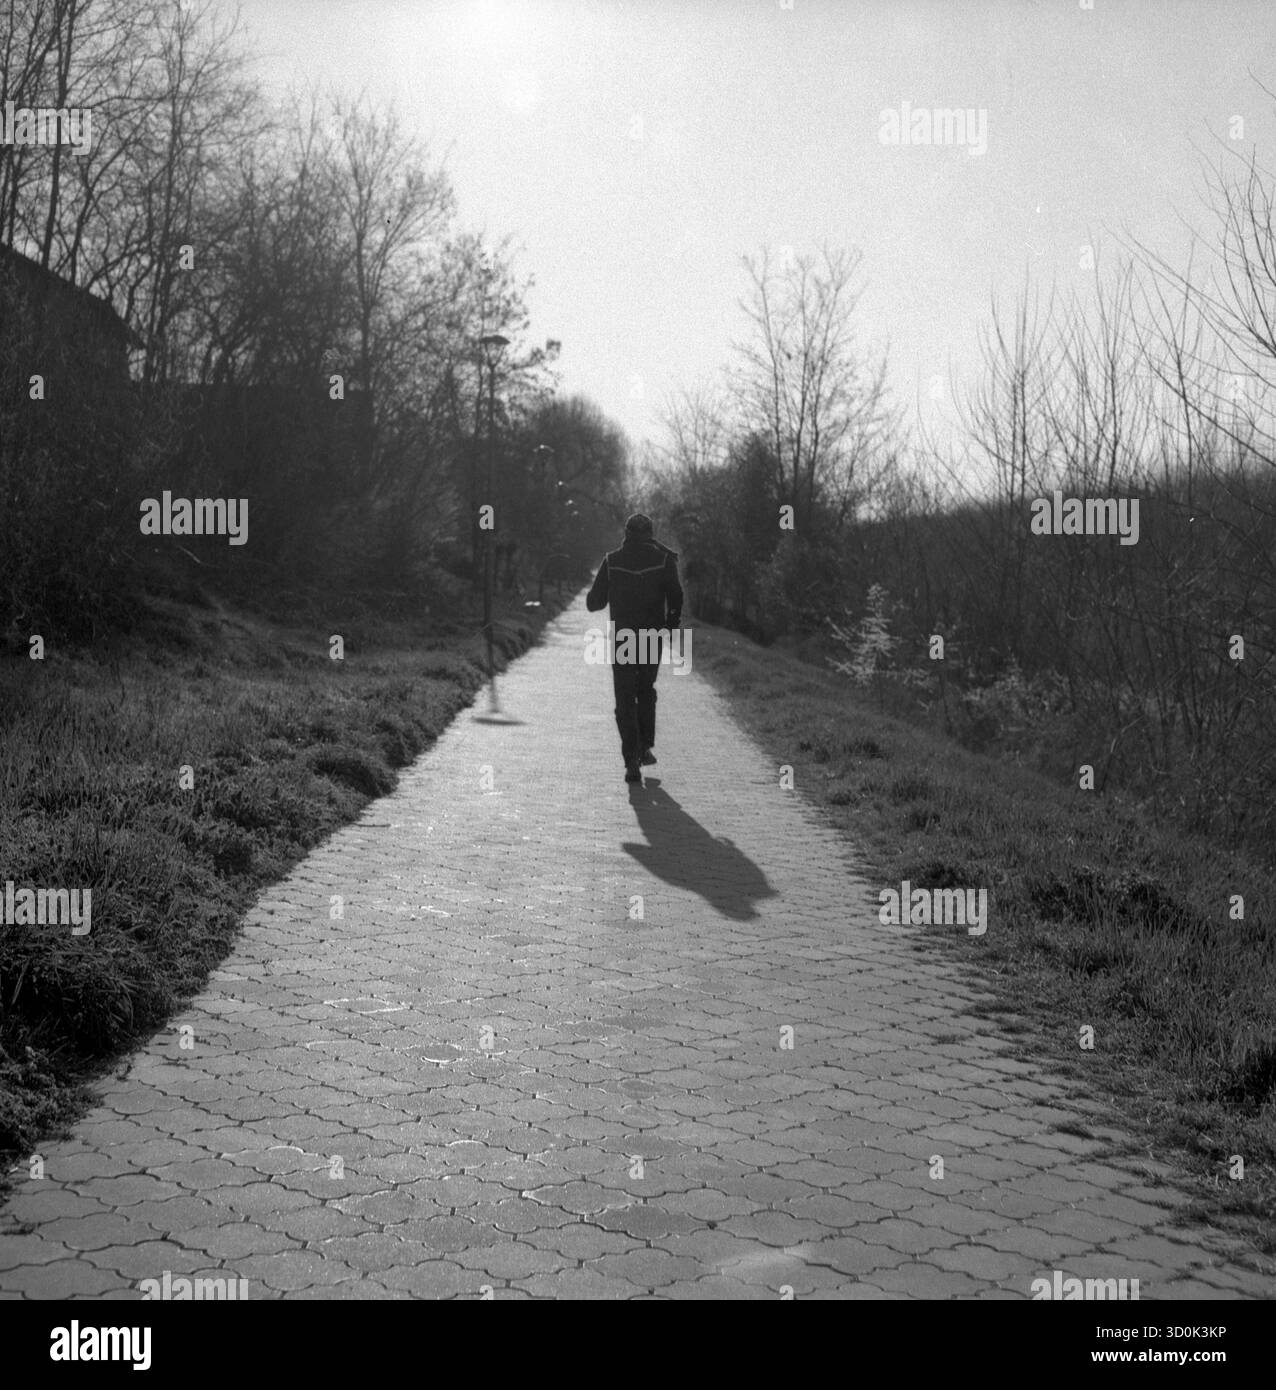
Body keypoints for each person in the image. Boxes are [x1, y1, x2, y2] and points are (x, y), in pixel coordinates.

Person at [585, 512, 683, 783]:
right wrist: (671, 624)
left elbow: (595, 603)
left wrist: (592, 596)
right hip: (651, 636)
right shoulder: (665, 560)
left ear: (626, 535)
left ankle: (631, 760)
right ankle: (644, 746)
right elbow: (676, 595)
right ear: (651, 534)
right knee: (646, 691)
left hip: (623, 639)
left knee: (625, 698)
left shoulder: (612, 561)